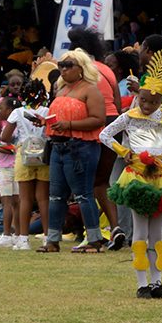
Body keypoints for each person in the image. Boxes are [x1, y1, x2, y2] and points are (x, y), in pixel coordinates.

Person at [99, 50, 162, 299]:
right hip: (137, 176)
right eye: (142, 100)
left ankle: (157, 282)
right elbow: (105, 134)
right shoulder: (129, 117)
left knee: (157, 233)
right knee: (141, 231)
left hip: (161, 176)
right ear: (137, 96)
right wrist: (124, 151)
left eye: (152, 102)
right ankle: (141, 283)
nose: (146, 105)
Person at [36, 49, 106, 253]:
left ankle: (94, 239)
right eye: (61, 65)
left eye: (69, 66)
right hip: (59, 146)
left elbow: (98, 119)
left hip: (81, 147)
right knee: (56, 195)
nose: (64, 70)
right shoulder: (61, 89)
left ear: (81, 68)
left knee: (83, 194)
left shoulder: (90, 90)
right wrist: (46, 122)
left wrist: (68, 124)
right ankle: (53, 240)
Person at [67, 28, 125, 250]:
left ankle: (91, 234)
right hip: (113, 124)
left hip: (91, 124)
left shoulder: (80, 71)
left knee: (86, 183)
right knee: (101, 181)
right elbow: (118, 104)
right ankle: (115, 227)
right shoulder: (107, 70)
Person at [2, 78, 50, 250]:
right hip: (44, 155)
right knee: (43, 199)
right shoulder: (48, 111)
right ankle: (47, 237)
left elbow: (4, 137)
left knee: (25, 199)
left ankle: (23, 239)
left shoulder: (18, 112)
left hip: (24, 155)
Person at [0, 97, 21, 248]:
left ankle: (7, 234)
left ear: (10, 111)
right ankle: (18, 234)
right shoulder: (14, 125)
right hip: (15, 166)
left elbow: (13, 148)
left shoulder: (11, 126)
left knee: (7, 202)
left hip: (8, 168)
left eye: (1, 108)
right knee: (16, 203)